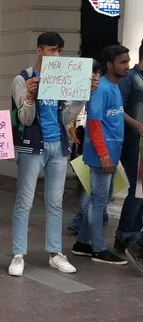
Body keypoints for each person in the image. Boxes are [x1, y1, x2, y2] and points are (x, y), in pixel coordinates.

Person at [8, 32, 99, 276]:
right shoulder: (23, 78)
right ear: (39, 51)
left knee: (55, 202)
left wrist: (82, 94)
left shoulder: (60, 79)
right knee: (24, 201)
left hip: (58, 146)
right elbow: (25, 119)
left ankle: (55, 252)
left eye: (58, 50)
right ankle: (18, 254)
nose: (55, 55)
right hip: (32, 146)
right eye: (51, 50)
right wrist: (29, 97)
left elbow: (66, 117)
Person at [72, 45, 131, 265]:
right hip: (101, 154)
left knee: (100, 199)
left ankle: (82, 243)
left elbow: (115, 116)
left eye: (127, 61)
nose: (127, 65)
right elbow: (95, 124)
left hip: (111, 152)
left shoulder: (115, 87)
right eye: (122, 62)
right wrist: (104, 156)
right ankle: (98, 248)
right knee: (98, 202)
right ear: (109, 64)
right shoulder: (102, 89)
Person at [67, 60, 111, 234]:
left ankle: (94, 215)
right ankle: (83, 217)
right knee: (88, 182)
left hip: (97, 141)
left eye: (96, 73)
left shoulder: (102, 90)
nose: (94, 76)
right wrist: (71, 129)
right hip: (85, 140)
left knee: (95, 184)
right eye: (91, 73)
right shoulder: (77, 91)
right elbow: (70, 113)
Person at [116, 41, 143, 270]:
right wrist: (138, 126)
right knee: (137, 188)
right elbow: (119, 109)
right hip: (134, 143)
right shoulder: (130, 79)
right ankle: (125, 235)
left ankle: (134, 233)